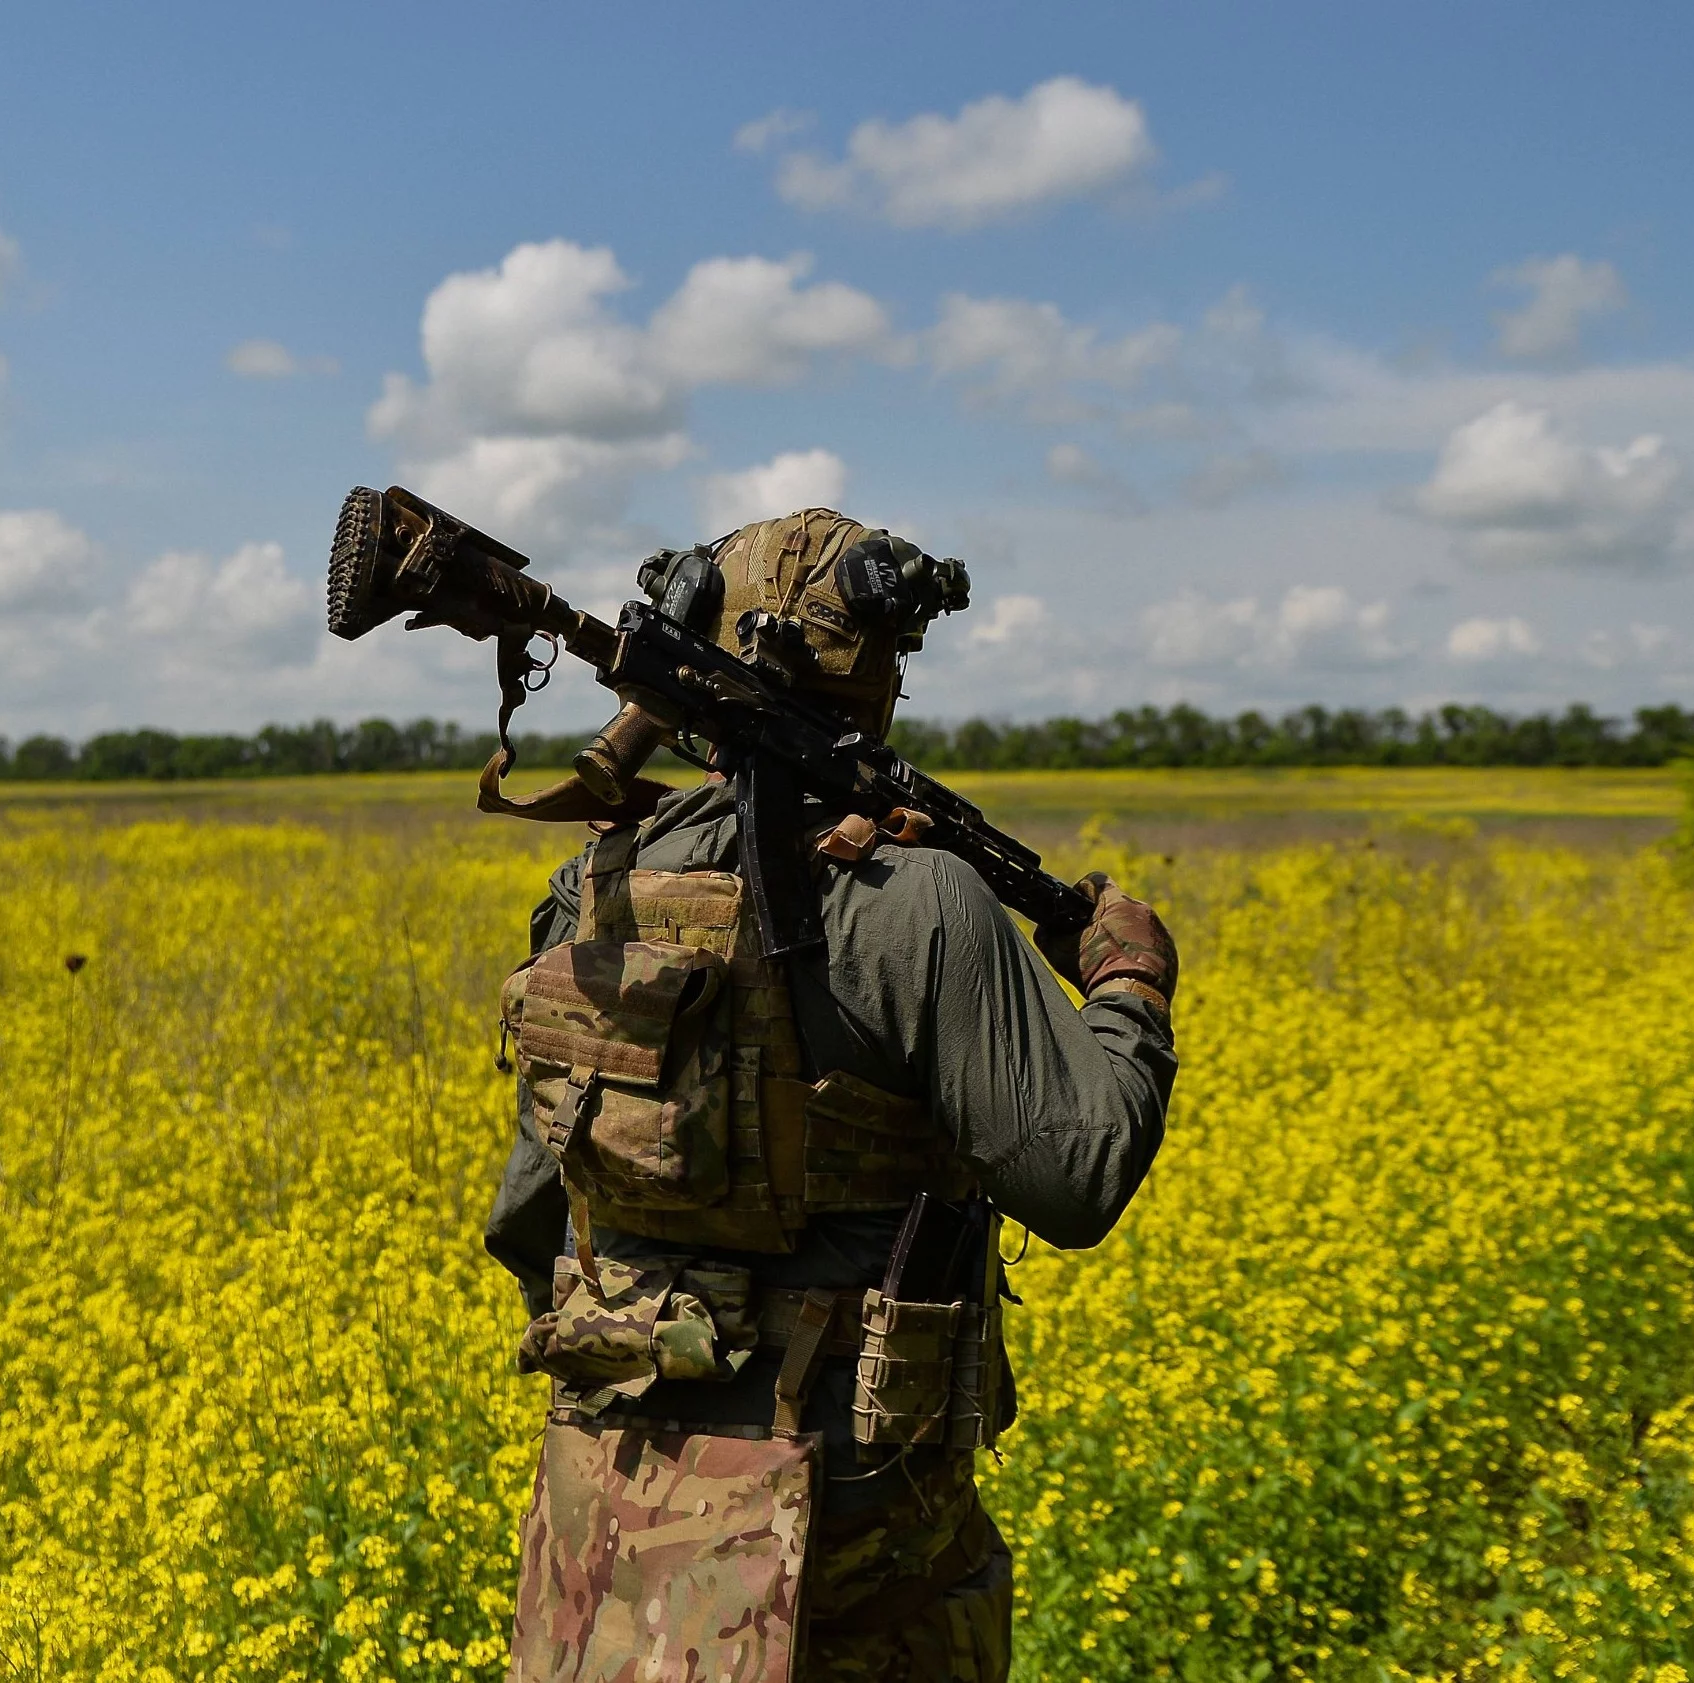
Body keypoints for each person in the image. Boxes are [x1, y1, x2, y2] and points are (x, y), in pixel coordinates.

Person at [484, 508, 1178, 1682]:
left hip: (616, 1514)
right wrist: (1130, 986)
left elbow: (528, 1224)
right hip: (854, 1534)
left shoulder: (590, 885)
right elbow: (1078, 1175)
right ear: (877, 677)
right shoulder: (923, 902)